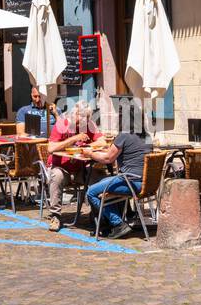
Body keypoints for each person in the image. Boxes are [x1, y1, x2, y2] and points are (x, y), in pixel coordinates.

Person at [85, 126, 154, 239]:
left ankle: (118, 223)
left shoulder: (124, 136)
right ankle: (109, 222)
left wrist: (90, 154)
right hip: (146, 183)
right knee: (103, 181)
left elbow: (108, 159)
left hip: (130, 183)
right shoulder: (147, 136)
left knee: (91, 192)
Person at [43, 101, 100, 232]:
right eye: (81, 121)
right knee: (56, 176)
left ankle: (96, 213)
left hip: (80, 168)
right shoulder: (61, 125)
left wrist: (88, 147)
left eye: (86, 121)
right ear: (75, 114)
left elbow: (101, 140)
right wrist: (74, 139)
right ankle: (55, 216)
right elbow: (51, 148)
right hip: (61, 167)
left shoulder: (88, 125)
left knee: (98, 177)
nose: (83, 125)